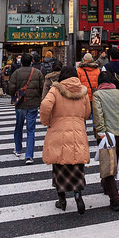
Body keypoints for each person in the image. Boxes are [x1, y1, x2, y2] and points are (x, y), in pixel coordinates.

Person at [39, 66, 90, 214]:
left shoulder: (56, 90)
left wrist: (47, 121)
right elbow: (87, 113)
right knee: (76, 164)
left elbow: (44, 105)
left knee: (59, 166)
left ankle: (62, 200)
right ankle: (78, 195)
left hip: (58, 131)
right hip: (78, 131)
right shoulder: (83, 91)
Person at [92, 71, 119, 211]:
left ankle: (115, 198)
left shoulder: (98, 94)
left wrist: (101, 132)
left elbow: (97, 115)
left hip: (106, 135)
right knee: (112, 160)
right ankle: (106, 185)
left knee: (108, 166)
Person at [8, 53, 44, 164]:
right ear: (31, 61)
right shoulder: (37, 73)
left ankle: (18, 149)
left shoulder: (16, 73)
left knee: (18, 126)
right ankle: (29, 155)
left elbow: (11, 88)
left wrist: (13, 96)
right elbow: (42, 88)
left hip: (20, 105)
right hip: (33, 104)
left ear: (21, 62)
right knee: (31, 130)